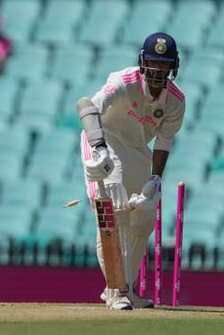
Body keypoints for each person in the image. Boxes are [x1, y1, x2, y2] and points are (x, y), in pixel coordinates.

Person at [78, 32, 185, 310]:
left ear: (173, 66)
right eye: (153, 63)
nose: (158, 71)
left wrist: (155, 178)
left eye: (164, 65)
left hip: (136, 148)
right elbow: (87, 105)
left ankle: (128, 287)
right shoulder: (123, 81)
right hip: (105, 138)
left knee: (145, 216)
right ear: (142, 62)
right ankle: (117, 290)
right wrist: (98, 147)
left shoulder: (175, 101)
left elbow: (163, 142)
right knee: (115, 209)